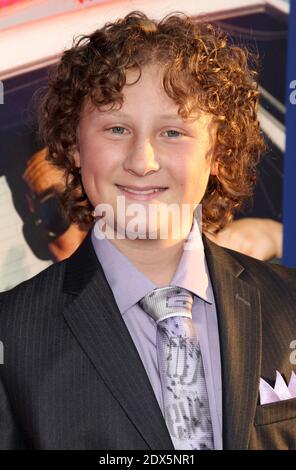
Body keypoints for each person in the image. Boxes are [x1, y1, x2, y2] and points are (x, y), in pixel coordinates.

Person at [0, 11, 295, 450]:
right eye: (116, 128)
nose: (143, 161)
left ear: (218, 150)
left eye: (173, 132)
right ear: (75, 146)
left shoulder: (289, 301)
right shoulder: (11, 337)